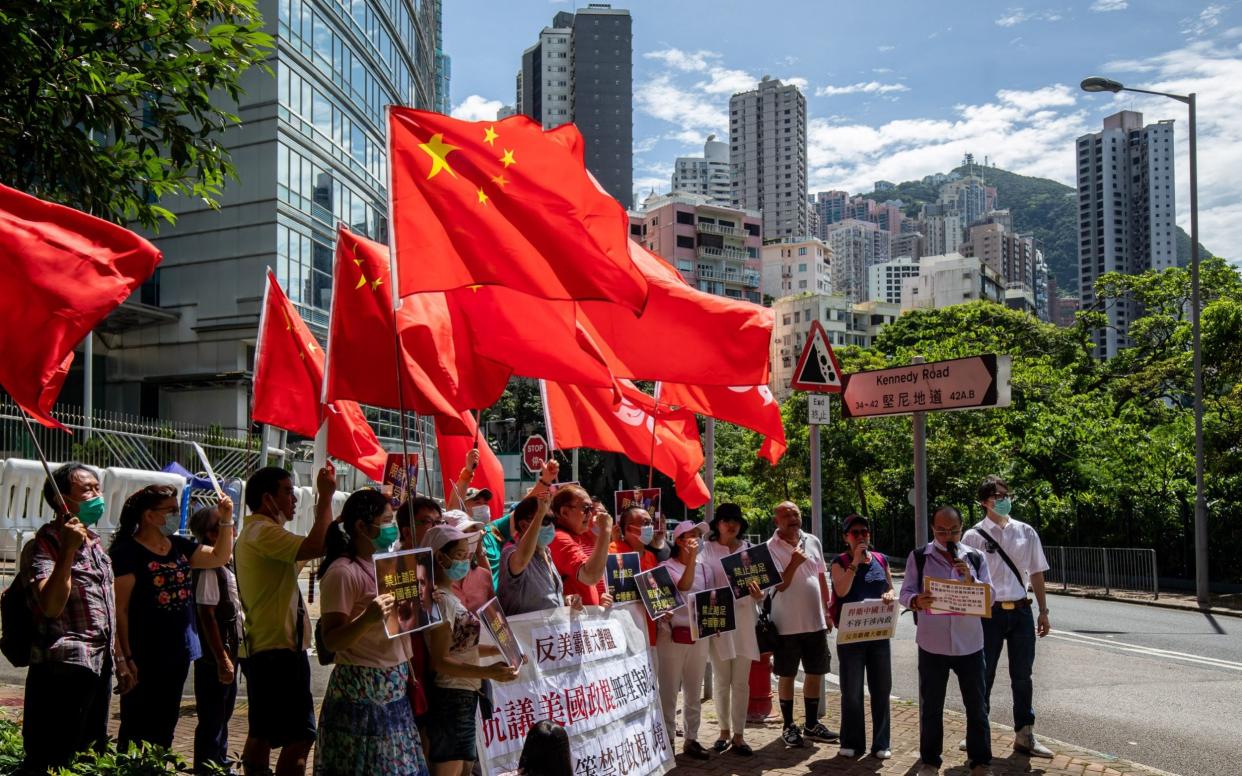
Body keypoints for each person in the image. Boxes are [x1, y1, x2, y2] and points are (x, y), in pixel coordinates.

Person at [109, 485, 235, 751]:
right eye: (171, 511)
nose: (176, 516)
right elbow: (118, 609)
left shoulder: (178, 546)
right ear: (149, 515)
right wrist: (124, 658)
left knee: (165, 728)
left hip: (177, 653)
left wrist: (226, 520)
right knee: (136, 728)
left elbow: (220, 556)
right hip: (143, 655)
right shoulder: (127, 552)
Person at [314, 489, 429, 776]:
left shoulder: (389, 564)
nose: (391, 528)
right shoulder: (343, 572)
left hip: (393, 690)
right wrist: (367, 619)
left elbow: (403, 622)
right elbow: (332, 639)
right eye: (386, 521)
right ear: (362, 527)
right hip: (362, 692)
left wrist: (426, 602)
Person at [235, 464, 336, 776]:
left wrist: (329, 509)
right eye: (288, 492)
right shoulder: (263, 532)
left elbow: (318, 545)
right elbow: (317, 545)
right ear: (268, 499)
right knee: (301, 734)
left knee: (263, 731)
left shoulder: (261, 533)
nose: (293, 499)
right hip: (276, 649)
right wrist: (326, 496)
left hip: (269, 646)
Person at [21, 463, 117, 773]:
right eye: (87, 489)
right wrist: (67, 551)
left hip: (99, 664)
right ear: (63, 501)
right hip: (65, 665)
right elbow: (50, 605)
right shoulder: (45, 544)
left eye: (97, 488)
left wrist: (121, 658)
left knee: (89, 750)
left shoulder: (95, 543)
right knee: (53, 755)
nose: (96, 495)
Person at [961, 476, 1054, 758]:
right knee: (983, 674)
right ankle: (977, 733)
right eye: (997, 496)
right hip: (988, 613)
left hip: (1021, 610)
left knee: (1022, 675)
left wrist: (1043, 611)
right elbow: (966, 579)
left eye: (1006, 494)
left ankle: (1025, 734)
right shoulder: (973, 536)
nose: (1003, 500)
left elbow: (1036, 572)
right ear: (983, 502)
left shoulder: (1025, 532)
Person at [900, 505, 994, 776]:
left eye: (953, 530)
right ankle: (930, 761)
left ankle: (980, 761)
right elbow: (905, 592)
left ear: (961, 528)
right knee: (931, 706)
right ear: (932, 529)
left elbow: (991, 596)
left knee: (976, 706)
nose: (947, 536)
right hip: (933, 644)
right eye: (941, 530)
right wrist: (916, 600)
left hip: (970, 644)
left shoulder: (975, 558)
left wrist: (971, 580)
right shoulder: (919, 557)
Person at [424, 524, 521, 776]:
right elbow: (441, 661)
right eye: (460, 555)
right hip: (451, 697)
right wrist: (489, 672)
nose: (467, 560)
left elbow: (464, 646)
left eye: (467, 554)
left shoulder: (449, 598)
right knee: (452, 768)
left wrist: (505, 652)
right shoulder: (441, 601)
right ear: (439, 557)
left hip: (465, 697)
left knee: (465, 768)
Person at [766, 501, 838, 747]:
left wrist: (828, 611)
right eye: (786, 515)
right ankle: (788, 725)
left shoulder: (812, 541)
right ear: (777, 521)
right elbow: (780, 585)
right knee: (786, 675)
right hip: (785, 625)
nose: (792, 518)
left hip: (815, 621)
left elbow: (821, 577)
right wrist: (794, 562)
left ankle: (811, 724)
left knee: (815, 672)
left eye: (795, 513)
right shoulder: (769, 548)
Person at [698, 502, 763, 756]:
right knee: (722, 679)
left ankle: (739, 734)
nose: (731, 525)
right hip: (719, 622)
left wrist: (760, 593)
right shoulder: (706, 551)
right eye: (726, 520)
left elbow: (764, 587)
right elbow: (701, 585)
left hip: (745, 620)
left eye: (735, 521)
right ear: (717, 524)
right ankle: (724, 731)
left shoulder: (750, 551)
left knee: (741, 682)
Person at [828, 514, 895, 760]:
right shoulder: (840, 562)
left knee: (881, 689)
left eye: (864, 531)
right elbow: (841, 589)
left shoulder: (880, 559)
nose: (861, 536)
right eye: (855, 532)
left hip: (877, 634)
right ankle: (852, 742)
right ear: (846, 537)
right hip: (850, 637)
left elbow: (889, 587)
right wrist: (855, 561)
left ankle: (881, 743)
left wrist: (889, 594)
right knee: (852, 692)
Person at [189, 503, 245, 775]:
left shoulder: (226, 564)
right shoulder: (210, 567)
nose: (232, 530)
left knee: (223, 714)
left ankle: (219, 764)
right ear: (212, 536)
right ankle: (208, 768)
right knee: (212, 717)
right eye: (224, 526)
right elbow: (207, 615)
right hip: (216, 656)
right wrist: (222, 658)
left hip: (229, 651)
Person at [656, 521, 712, 760]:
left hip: (698, 635)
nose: (697, 540)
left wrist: (714, 623)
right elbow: (684, 587)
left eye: (699, 536)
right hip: (672, 636)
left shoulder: (705, 568)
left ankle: (692, 738)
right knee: (669, 691)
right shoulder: (666, 567)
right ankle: (668, 739)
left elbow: (709, 598)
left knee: (693, 689)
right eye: (692, 536)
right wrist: (690, 561)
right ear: (679, 541)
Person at [546, 485, 613, 606]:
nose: (591, 514)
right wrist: (606, 530)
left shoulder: (573, 536)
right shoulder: (560, 538)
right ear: (564, 512)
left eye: (592, 509)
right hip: (571, 622)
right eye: (586, 508)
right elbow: (591, 575)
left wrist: (598, 597)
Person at [497, 493, 562, 616]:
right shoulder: (510, 552)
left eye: (552, 520)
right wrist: (539, 516)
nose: (551, 526)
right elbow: (521, 561)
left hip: (550, 633)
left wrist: (567, 600)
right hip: (524, 633)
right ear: (523, 525)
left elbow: (548, 599)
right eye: (545, 520)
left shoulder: (546, 553)